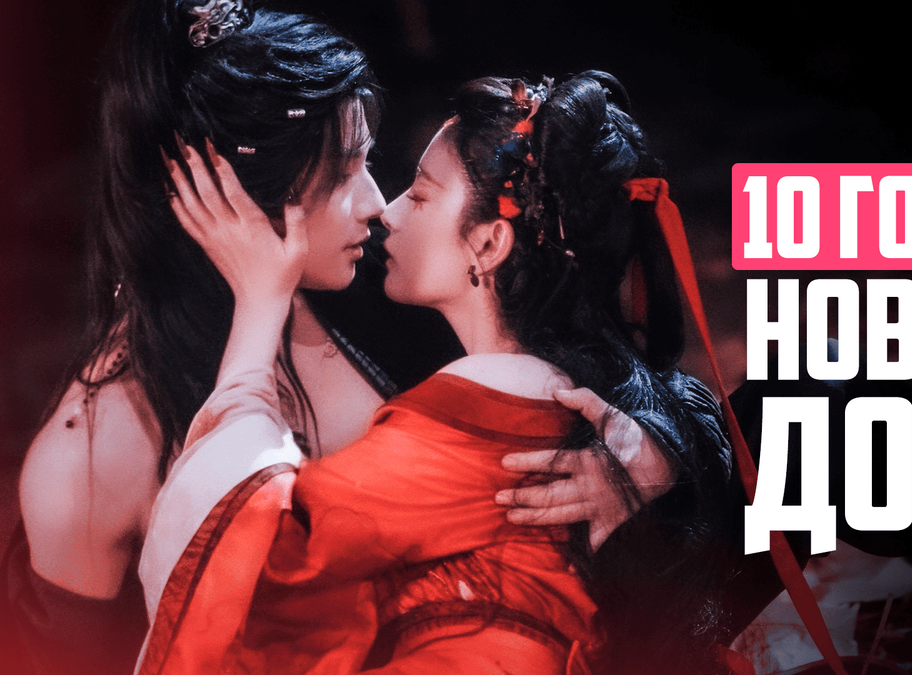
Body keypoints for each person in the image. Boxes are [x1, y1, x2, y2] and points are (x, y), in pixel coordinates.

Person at [5, 3, 655, 674]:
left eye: (368, 162)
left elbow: (611, 367)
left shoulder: (391, 282)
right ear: (237, 193)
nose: (377, 203)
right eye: (342, 173)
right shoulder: (89, 457)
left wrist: (650, 461)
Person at [145, 70, 738, 675]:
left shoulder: (492, 408)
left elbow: (264, 557)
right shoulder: (586, 390)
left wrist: (258, 304)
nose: (388, 210)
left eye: (421, 195)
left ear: (489, 245)